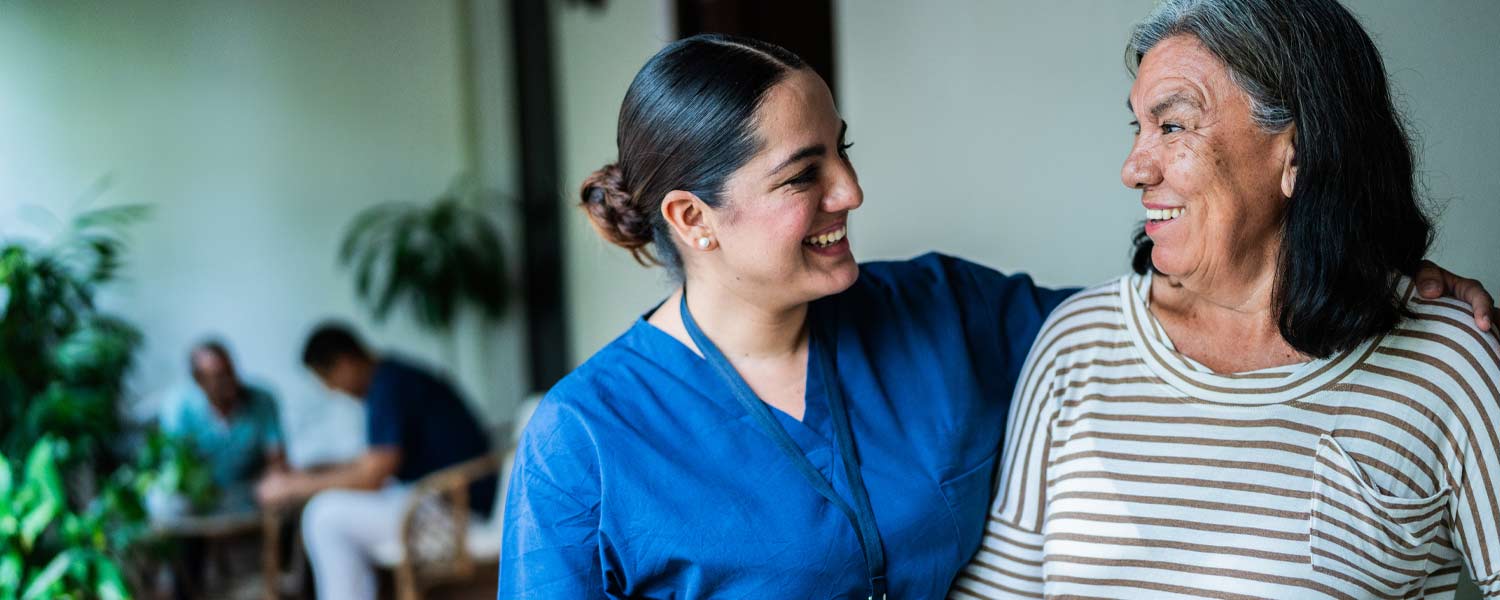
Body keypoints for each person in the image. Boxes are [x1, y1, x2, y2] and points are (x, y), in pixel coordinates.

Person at [499, 33, 1496, 599]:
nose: (851, 191)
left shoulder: (950, 310)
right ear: (691, 218)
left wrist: (1377, 268)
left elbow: (1201, 306)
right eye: (806, 175)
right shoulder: (583, 442)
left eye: (843, 149)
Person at [955, 1, 1500, 598]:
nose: (1133, 168)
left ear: (1296, 151)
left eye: (1172, 126)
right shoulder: (1078, 341)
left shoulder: (1449, 361)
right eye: (1137, 127)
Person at [255, 323, 495, 600]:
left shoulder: (389, 385)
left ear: (344, 363)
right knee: (328, 511)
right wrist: (313, 473)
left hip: (456, 508)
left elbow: (372, 476)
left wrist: (295, 486)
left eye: (329, 380)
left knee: (325, 517)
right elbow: (373, 462)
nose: (334, 390)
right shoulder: (393, 377)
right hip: (434, 498)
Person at [160, 340, 285, 511]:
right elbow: (176, 464)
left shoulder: (262, 399)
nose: (229, 381)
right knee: (164, 502)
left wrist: (274, 482)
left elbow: (276, 456)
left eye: (230, 371)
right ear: (199, 382)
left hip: (250, 488)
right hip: (203, 493)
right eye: (218, 376)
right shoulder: (179, 408)